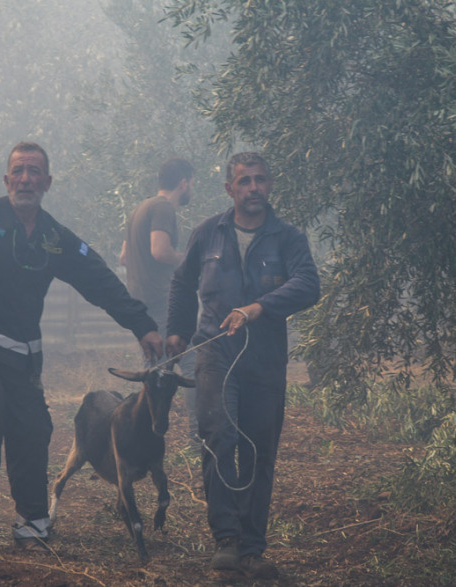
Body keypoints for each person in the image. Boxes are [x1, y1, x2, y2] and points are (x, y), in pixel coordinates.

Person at [0, 141, 164, 548]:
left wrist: (143, 325)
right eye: (18, 171)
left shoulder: (54, 237)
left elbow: (99, 281)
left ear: (47, 182)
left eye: (34, 172)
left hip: (23, 355)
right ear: (6, 179)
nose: (26, 179)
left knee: (33, 426)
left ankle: (32, 521)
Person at [166, 152, 320, 579]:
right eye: (245, 181)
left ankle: (252, 548)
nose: (254, 187)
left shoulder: (287, 237)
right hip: (215, 353)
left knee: (259, 450)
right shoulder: (207, 234)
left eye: (260, 180)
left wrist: (258, 307)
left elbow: (309, 284)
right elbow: (181, 281)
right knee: (219, 436)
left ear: (270, 185)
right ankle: (226, 540)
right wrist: (177, 331)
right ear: (229, 188)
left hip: (266, 359)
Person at [119, 158, 198, 441]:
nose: (192, 189)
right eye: (192, 184)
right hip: (162, 303)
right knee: (192, 363)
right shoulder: (164, 208)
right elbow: (160, 251)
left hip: (141, 307)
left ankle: (143, 438)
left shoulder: (139, 209)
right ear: (184, 183)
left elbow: (124, 257)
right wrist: (190, 259)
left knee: (153, 373)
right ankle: (198, 438)